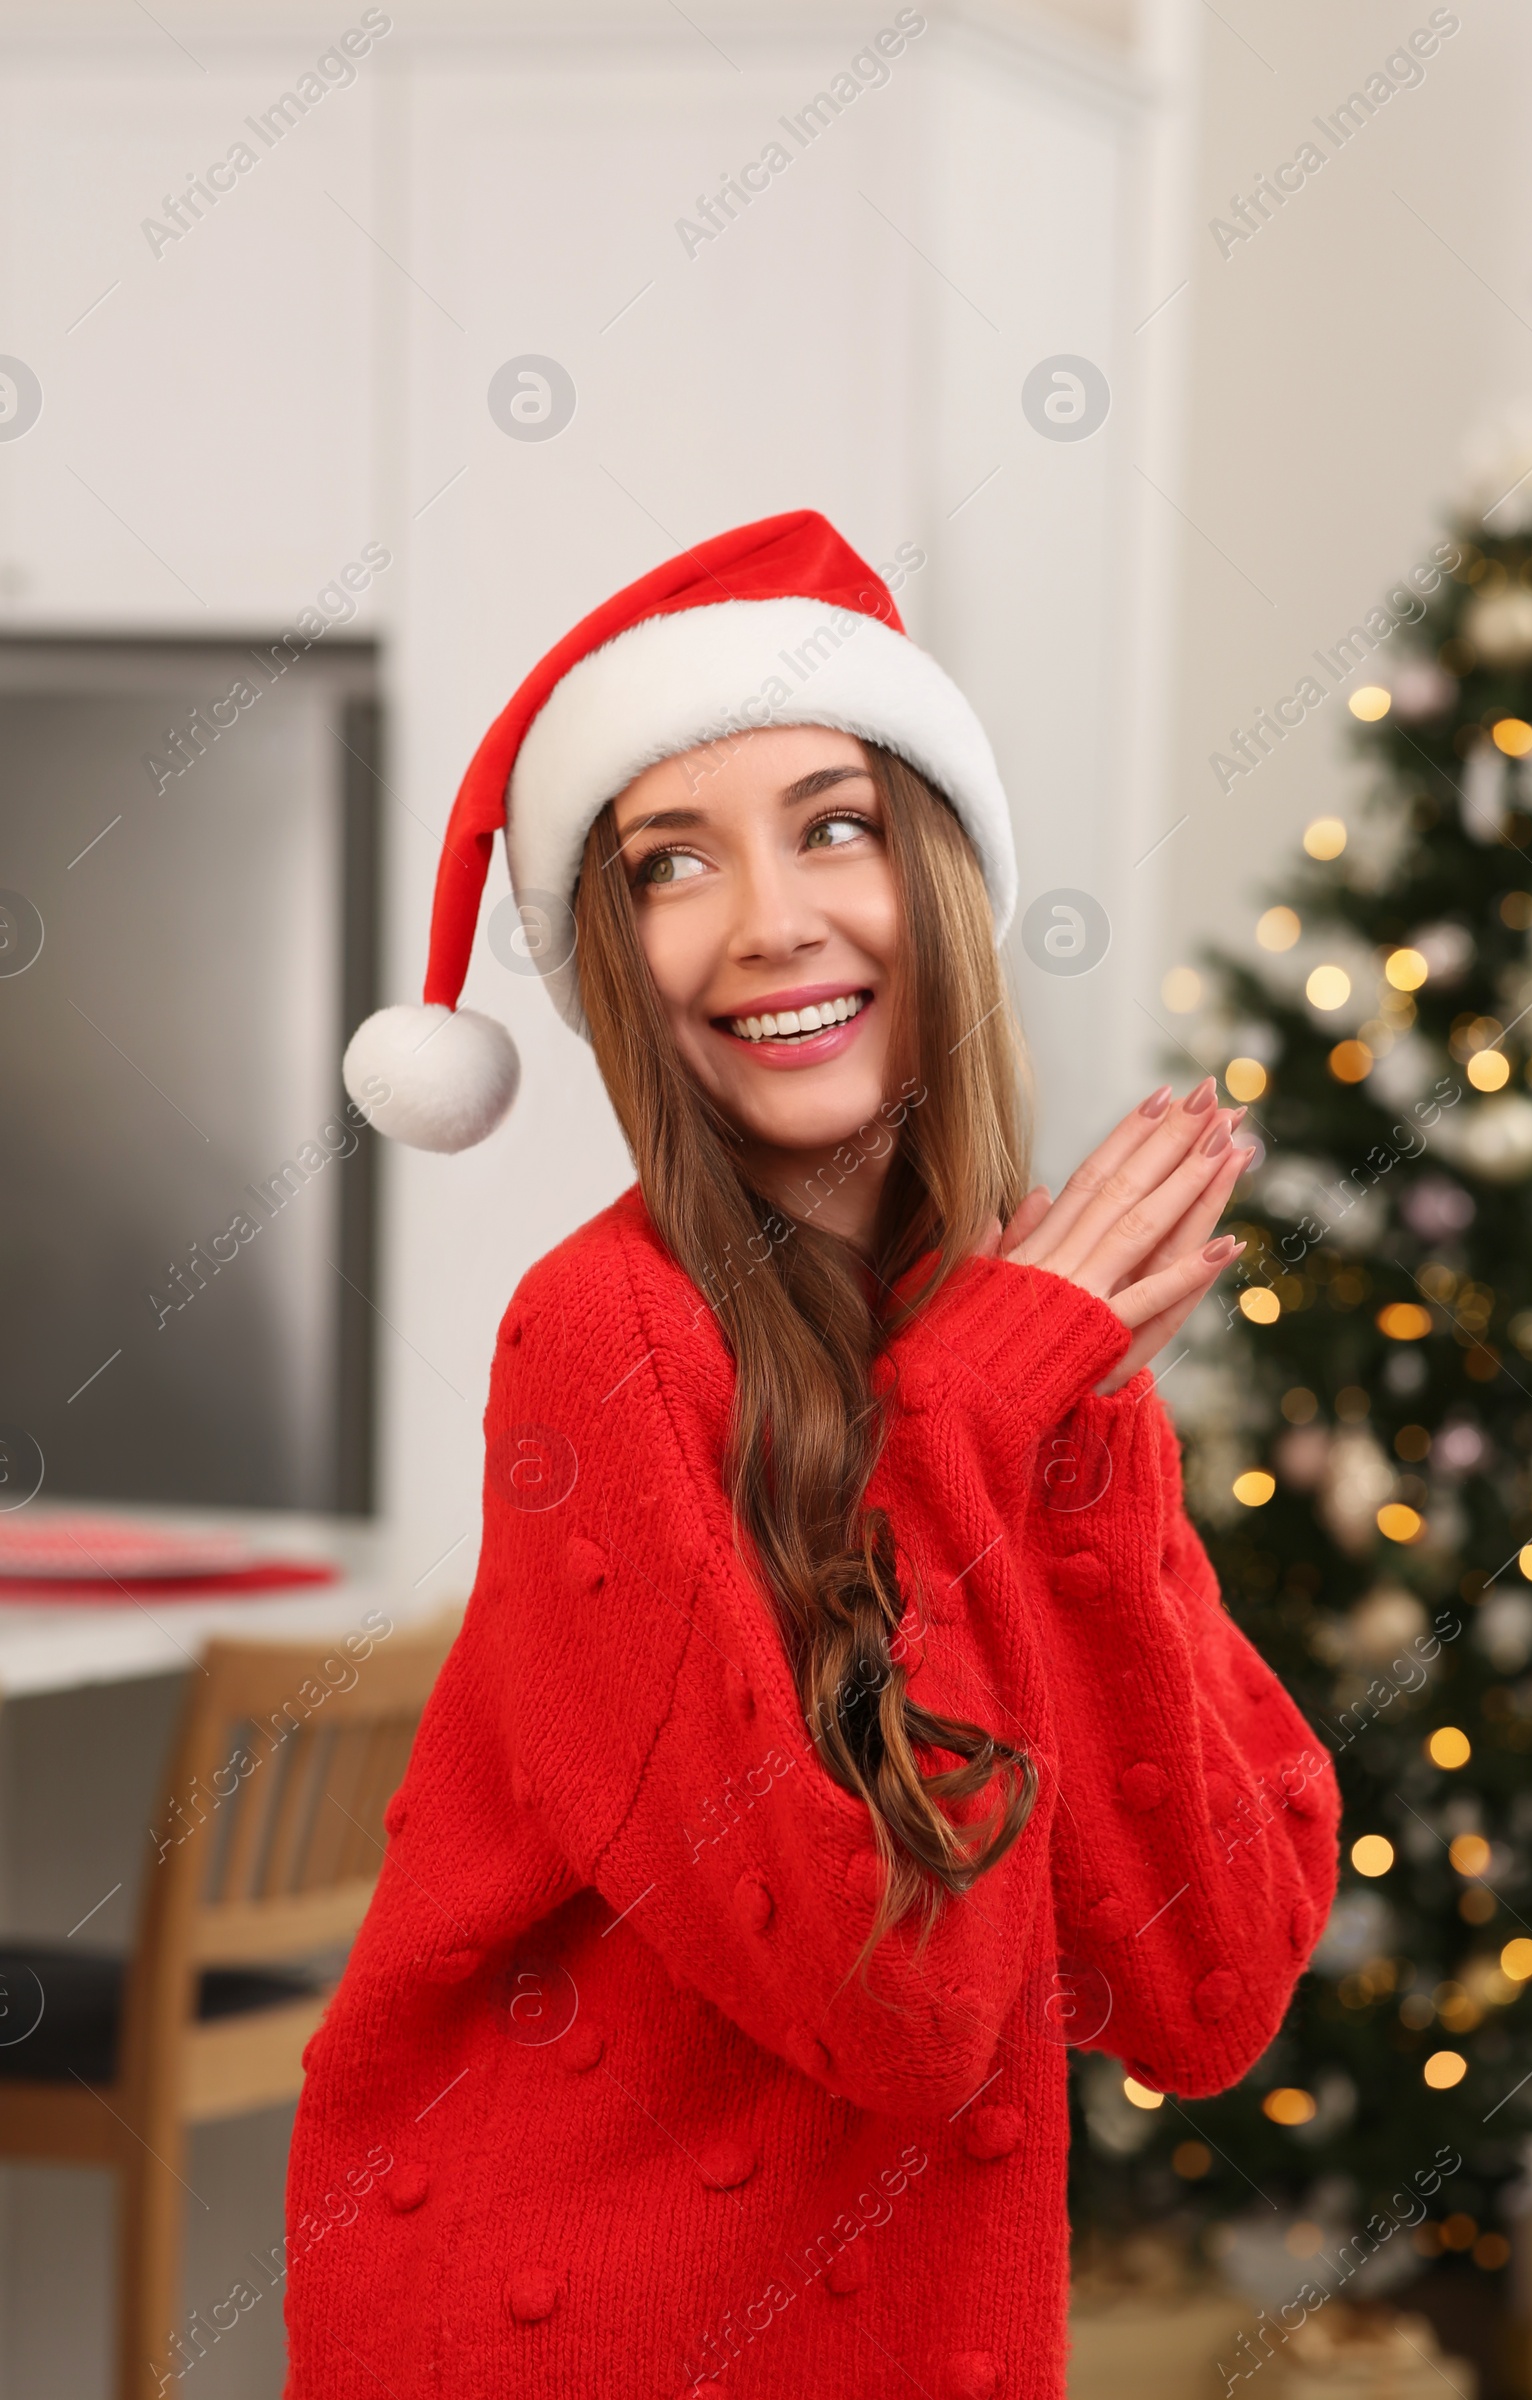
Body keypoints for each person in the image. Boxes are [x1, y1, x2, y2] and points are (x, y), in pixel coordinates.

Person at [285, 511, 1339, 2399]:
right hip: (579, 2339)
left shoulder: (1008, 1324)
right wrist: (982, 1419)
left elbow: (1203, 1990)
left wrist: (1071, 1439)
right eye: (670, 864)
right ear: (616, 955)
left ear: (937, 871)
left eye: (833, 822)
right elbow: (908, 2010)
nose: (768, 918)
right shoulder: (604, 1337)